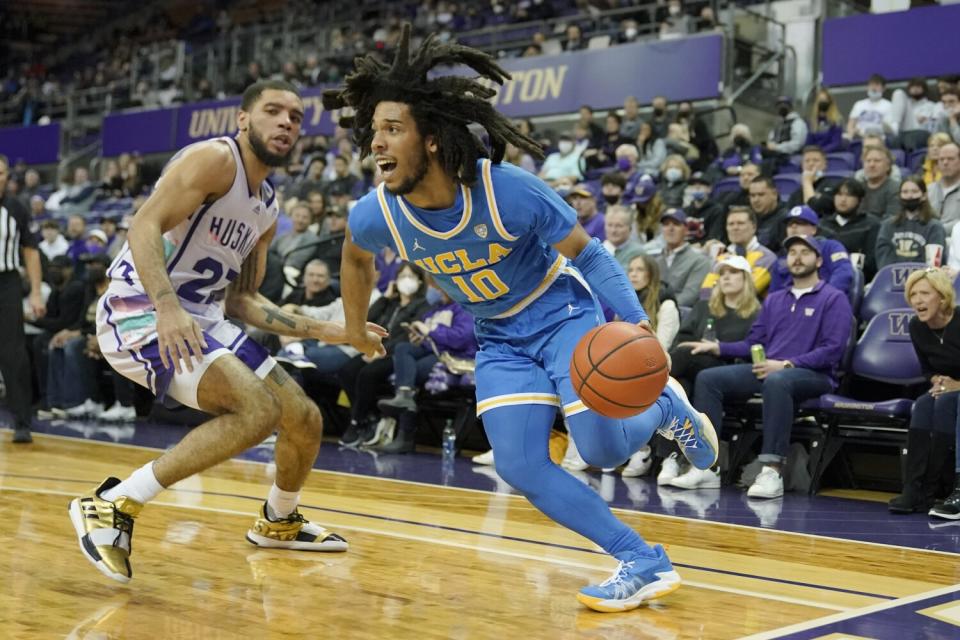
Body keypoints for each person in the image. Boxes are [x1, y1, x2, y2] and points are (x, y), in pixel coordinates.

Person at [326, 26, 719, 612]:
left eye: (392, 129)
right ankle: (641, 560)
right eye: (374, 130)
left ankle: (665, 406)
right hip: (499, 336)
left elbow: (589, 252)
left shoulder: (507, 191)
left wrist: (635, 322)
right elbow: (355, 258)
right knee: (518, 462)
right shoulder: (376, 211)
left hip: (561, 314)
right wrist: (356, 326)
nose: (376, 144)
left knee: (603, 449)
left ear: (430, 139)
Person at [69, 80, 387, 584]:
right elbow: (142, 225)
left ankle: (279, 521)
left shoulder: (267, 206)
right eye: (273, 111)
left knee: (303, 418)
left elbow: (242, 300)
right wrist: (168, 306)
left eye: (296, 117)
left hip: (203, 316)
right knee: (257, 410)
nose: (286, 122)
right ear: (242, 119)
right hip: (141, 309)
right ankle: (114, 503)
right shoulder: (215, 160)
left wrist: (336, 330)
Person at [683, 235, 853, 498]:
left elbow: (833, 351)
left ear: (819, 260)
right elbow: (754, 342)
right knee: (708, 378)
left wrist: (786, 364)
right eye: (792, 252)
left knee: (778, 381)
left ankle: (772, 470)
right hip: (770, 370)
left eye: (804, 252)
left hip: (815, 375)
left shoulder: (833, 298)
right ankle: (709, 465)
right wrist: (719, 347)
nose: (796, 257)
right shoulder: (775, 299)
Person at [888, 268, 959, 516]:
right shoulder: (917, 326)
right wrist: (936, 378)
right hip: (946, 389)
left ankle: (936, 488)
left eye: (924, 293)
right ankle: (913, 488)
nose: (917, 300)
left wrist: (957, 385)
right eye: (913, 294)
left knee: (944, 403)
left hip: (957, 391)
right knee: (922, 404)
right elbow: (927, 369)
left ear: (942, 296)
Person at [0, 154, 45, 443]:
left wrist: (37, 292)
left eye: (1, 172)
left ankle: (22, 422)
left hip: (6, 282)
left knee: (13, 353)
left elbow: (30, 251)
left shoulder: (16, 208)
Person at [769, 206, 854, 297]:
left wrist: (825, 298)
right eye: (790, 224)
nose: (793, 226)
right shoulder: (781, 260)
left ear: (814, 229)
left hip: (826, 303)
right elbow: (774, 295)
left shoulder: (830, 247)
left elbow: (843, 273)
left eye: (800, 223)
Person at [700, 207, 778, 299]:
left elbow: (748, 291)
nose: (735, 228)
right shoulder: (722, 257)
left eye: (740, 223)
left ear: (754, 227)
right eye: (731, 224)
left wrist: (717, 285)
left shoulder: (766, 257)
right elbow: (705, 293)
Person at [876, 176, 946, 269]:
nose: (909, 196)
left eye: (914, 191)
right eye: (905, 192)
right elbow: (883, 259)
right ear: (899, 196)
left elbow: (933, 263)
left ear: (924, 196)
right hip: (892, 278)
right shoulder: (888, 225)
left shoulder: (935, 226)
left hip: (924, 279)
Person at [818, 178, 881, 280]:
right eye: (839, 194)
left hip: (858, 280)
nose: (843, 199)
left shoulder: (871, 225)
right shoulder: (823, 224)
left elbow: (871, 263)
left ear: (859, 200)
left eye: (849, 195)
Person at [656, 208, 711, 307]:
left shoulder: (700, 261)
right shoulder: (655, 262)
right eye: (666, 224)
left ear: (686, 230)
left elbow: (690, 296)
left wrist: (661, 309)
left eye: (676, 224)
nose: (670, 228)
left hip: (681, 315)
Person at [846, 74, 897, 140]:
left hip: (879, 139)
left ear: (884, 88)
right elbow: (850, 124)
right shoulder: (859, 104)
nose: (873, 88)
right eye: (871, 85)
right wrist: (852, 132)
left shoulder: (889, 106)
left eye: (877, 85)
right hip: (859, 138)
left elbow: (889, 129)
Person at [859, 145, 901, 219]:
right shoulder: (858, 188)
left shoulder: (896, 189)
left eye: (877, 161)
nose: (871, 165)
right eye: (868, 161)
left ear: (888, 166)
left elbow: (890, 222)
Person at [928, 143, 960, 234]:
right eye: (941, 159)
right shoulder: (929, 189)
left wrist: (937, 230)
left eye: (951, 159)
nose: (945, 163)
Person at [806, 88, 844, 153]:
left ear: (830, 102)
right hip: (814, 153)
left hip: (830, 153)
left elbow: (835, 143)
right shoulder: (812, 121)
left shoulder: (837, 120)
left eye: (825, 100)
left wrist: (821, 152)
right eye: (820, 100)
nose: (822, 102)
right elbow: (809, 142)